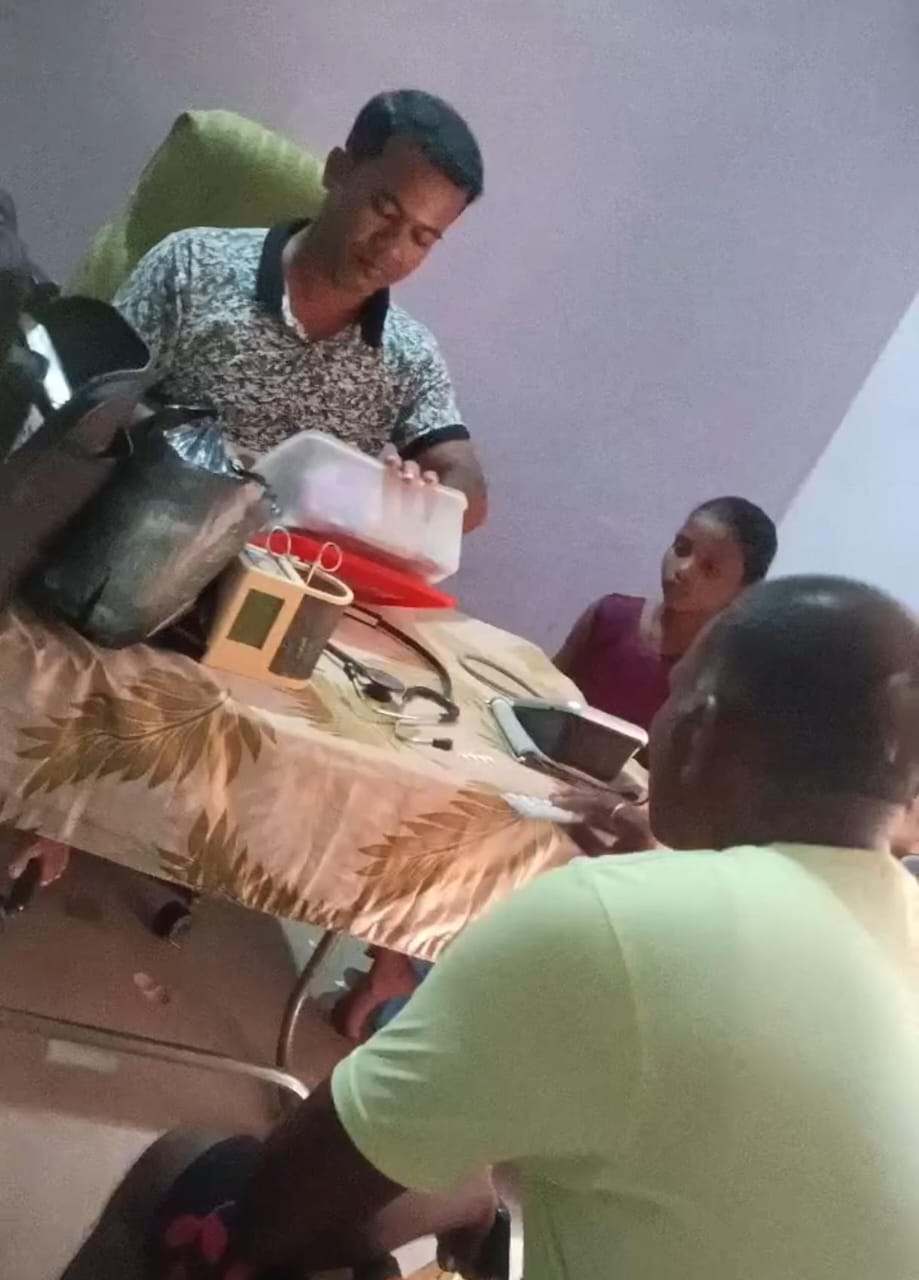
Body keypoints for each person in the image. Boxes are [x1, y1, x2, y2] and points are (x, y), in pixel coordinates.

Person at [64, 575, 919, 1280]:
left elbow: (279, 1207)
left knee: (200, 1182)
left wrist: (441, 1203)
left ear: (700, 728)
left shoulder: (620, 920)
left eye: (674, 697)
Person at [114, 90, 488, 530]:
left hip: (287, 567)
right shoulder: (192, 264)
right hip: (145, 535)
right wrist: (226, 472)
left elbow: (469, 490)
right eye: (384, 210)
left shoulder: (409, 355)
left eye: (421, 238)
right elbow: (90, 406)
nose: (392, 249)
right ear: (338, 170)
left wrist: (424, 495)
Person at [555, 495, 777, 729]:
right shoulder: (610, 616)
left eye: (710, 568)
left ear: (743, 591)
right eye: (681, 548)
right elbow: (543, 695)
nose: (683, 569)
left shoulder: (718, 680)